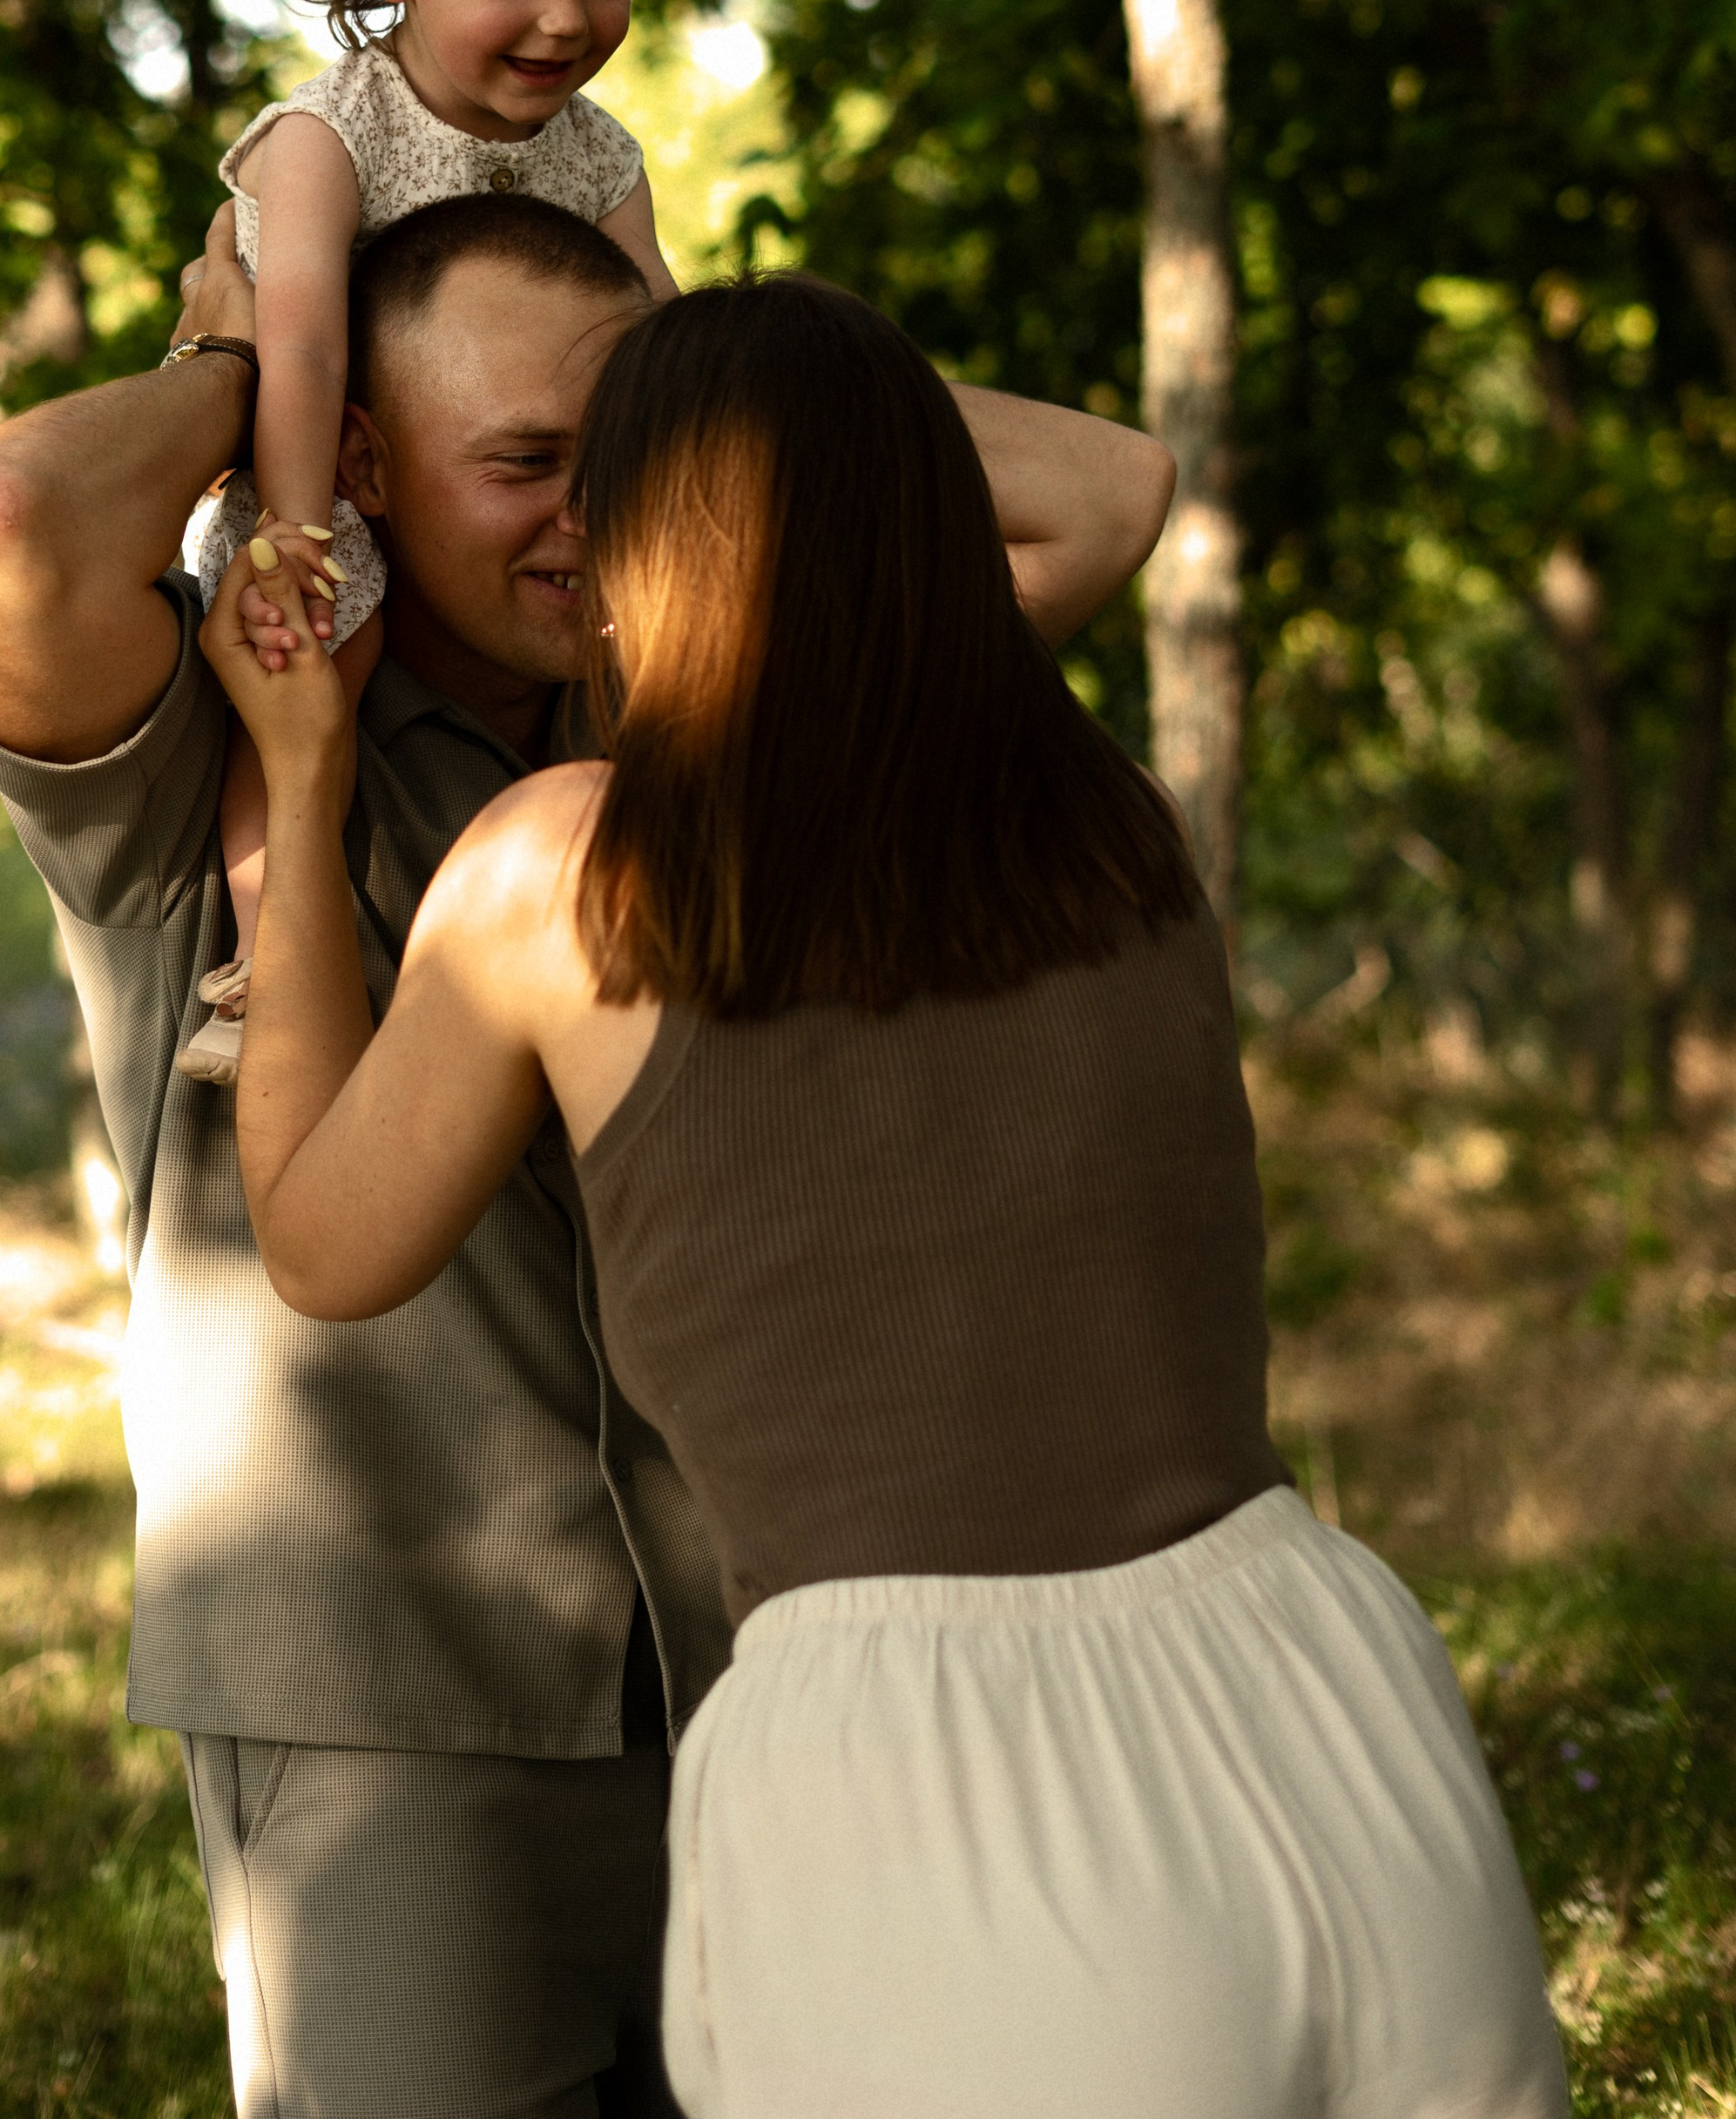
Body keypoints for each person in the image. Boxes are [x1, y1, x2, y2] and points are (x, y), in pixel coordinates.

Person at [205, 272, 1570, 2119]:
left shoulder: (559, 872)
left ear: (647, 531)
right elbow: (1092, 485)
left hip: (927, 1777)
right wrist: (753, 371)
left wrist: (291, 787)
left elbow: (321, 1243)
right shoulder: (1104, 826)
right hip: (1329, 1706)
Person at [0, 195, 1179, 2119]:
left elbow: (1103, 492)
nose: (591, 515)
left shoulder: (746, 737)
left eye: (628, 459)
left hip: (765, 1668)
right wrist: (257, 365)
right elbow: (2, 535)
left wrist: (701, 363)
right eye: (521, 464)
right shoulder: (200, 754)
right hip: (379, 1697)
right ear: (361, 465)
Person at [196, 0, 679, 663]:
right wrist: (293, 527)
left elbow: (660, 339)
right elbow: (306, 347)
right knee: (321, 650)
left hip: (517, 508)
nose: (565, 18)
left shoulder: (599, 157)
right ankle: (273, 831)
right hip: (315, 481)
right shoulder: (331, 136)